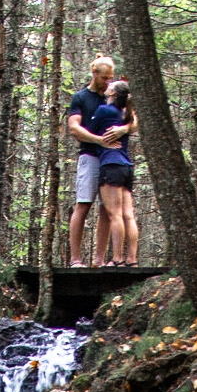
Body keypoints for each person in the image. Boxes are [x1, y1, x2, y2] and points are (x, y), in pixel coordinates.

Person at [65, 56, 116, 265]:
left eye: (110, 78)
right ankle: (75, 259)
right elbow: (73, 128)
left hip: (111, 159)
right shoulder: (81, 98)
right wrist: (98, 140)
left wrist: (122, 129)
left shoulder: (112, 97)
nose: (107, 82)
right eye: (105, 78)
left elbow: (132, 120)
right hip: (90, 156)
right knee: (83, 205)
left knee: (107, 208)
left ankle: (99, 259)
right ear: (94, 73)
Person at [88, 79, 139, 265]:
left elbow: (90, 131)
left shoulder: (104, 111)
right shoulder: (125, 115)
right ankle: (132, 259)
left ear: (112, 94)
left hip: (111, 165)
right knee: (128, 214)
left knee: (115, 214)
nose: (107, 85)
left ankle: (117, 259)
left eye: (111, 86)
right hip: (126, 166)